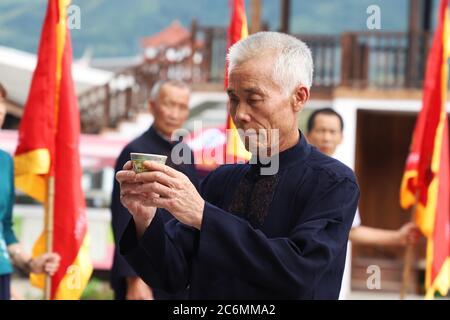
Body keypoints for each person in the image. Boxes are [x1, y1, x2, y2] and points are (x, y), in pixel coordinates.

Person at [115, 32, 359, 299]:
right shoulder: (222, 180)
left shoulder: (333, 182)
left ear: (298, 97)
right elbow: (172, 275)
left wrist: (204, 216)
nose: (240, 115)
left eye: (254, 99)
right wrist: (145, 219)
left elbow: (299, 273)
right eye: (233, 99)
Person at [305, 107, 420, 298]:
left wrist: (397, 237)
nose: (326, 137)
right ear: (308, 134)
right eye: (320, 130)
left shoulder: (342, 180)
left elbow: (351, 230)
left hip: (325, 276)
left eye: (332, 132)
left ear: (341, 137)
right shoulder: (297, 171)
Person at [110, 80, 199, 300]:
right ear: (152, 106)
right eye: (169, 104)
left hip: (179, 267)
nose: (174, 113)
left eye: (182, 107)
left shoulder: (185, 152)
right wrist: (134, 278)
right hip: (146, 267)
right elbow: (124, 215)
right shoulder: (136, 151)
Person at [0, 82, 60, 300]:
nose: (0, 109)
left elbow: (5, 228)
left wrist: (31, 263)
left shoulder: (6, 162)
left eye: (2, 101)